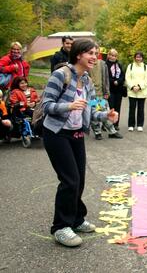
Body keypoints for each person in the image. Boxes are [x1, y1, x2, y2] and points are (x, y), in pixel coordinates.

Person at [41, 39, 119, 247]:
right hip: (56, 133)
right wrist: (69, 105)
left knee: (80, 179)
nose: (94, 57)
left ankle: (75, 219)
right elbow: (46, 105)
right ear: (78, 55)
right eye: (90, 53)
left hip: (76, 134)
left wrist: (106, 116)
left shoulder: (87, 81)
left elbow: (92, 111)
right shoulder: (60, 75)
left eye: (96, 53)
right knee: (70, 180)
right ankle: (60, 227)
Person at [88, 46, 122, 140]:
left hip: (101, 94)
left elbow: (106, 79)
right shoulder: (87, 65)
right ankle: (97, 132)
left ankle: (112, 132)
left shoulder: (102, 64)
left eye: (96, 53)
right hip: (92, 96)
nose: (94, 55)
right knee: (95, 114)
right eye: (92, 53)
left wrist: (106, 91)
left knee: (106, 112)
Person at [126, 51, 147, 132]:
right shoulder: (130, 66)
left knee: (141, 108)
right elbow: (127, 78)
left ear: (142, 58)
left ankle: (140, 125)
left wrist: (140, 87)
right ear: (134, 58)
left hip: (142, 91)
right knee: (132, 109)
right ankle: (131, 125)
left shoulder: (145, 67)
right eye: (137, 57)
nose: (138, 58)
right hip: (132, 91)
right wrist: (132, 87)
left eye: (140, 57)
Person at [106, 49, 126, 131]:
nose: (113, 57)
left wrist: (118, 81)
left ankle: (116, 124)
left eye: (115, 56)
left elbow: (122, 75)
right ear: (109, 55)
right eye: (112, 55)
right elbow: (106, 76)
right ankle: (108, 124)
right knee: (110, 107)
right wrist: (113, 81)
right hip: (110, 89)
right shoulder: (105, 64)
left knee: (118, 107)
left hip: (119, 89)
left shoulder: (119, 65)